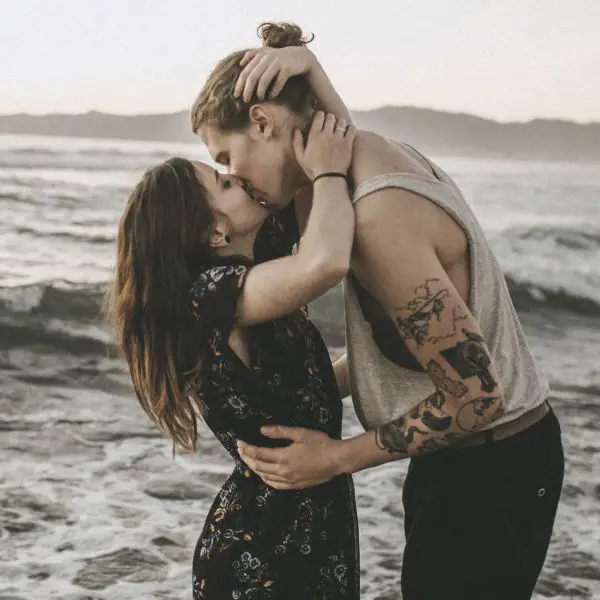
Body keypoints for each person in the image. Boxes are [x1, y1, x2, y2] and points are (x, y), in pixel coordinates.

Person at [190, 22, 565, 600]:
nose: (234, 178)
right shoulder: (363, 159)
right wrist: (311, 72)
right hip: (475, 460)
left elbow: (475, 396)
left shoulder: (378, 220)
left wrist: (334, 459)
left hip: (490, 469)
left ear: (262, 123)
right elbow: (326, 147)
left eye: (225, 156)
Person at [105, 111, 361, 598]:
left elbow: (297, 394)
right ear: (215, 233)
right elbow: (328, 261)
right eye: (224, 182)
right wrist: (327, 170)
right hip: (263, 553)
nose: (238, 177)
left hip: (308, 528)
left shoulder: (253, 266)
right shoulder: (210, 295)